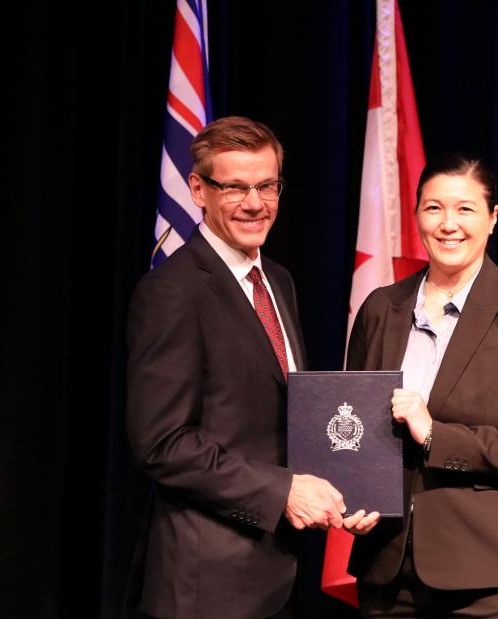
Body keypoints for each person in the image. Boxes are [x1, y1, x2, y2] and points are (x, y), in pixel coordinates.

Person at [126, 116, 347, 619]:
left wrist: (349, 484)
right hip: (208, 584)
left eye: (267, 185)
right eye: (236, 188)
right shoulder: (172, 293)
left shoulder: (278, 282)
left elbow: (281, 416)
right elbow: (163, 444)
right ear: (198, 190)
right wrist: (283, 490)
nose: (255, 203)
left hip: (278, 572)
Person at [341, 154, 498, 617]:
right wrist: (352, 496)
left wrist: (435, 435)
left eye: (465, 209)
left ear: (493, 218)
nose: (448, 224)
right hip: (387, 573)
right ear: (417, 215)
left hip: (491, 583)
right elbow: (353, 429)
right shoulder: (381, 308)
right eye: (433, 208)